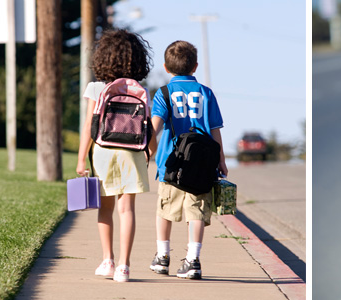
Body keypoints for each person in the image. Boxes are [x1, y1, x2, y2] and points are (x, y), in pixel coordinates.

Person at [76, 28, 153, 282]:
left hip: (103, 151)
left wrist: (80, 159)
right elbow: (147, 126)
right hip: (132, 152)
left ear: (103, 58)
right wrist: (149, 151)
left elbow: (89, 125)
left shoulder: (97, 87)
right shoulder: (139, 89)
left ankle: (107, 260)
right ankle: (124, 266)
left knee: (105, 208)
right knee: (126, 209)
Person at [147, 40, 228, 280]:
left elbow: (155, 128)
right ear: (195, 67)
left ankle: (163, 257)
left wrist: (147, 152)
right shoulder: (206, 93)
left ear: (166, 67)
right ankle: (193, 260)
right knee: (197, 212)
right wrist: (221, 160)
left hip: (170, 164)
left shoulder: (163, 93)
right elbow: (215, 130)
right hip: (203, 164)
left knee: (164, 210)